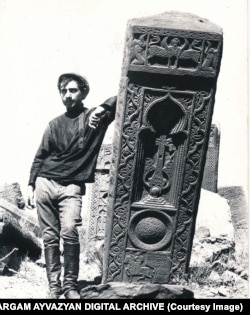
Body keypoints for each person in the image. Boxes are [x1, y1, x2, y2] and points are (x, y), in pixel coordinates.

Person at [26, 73, 116, 299]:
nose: (67, 95)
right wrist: (30, 185)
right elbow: (40, 156)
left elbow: (122, 97)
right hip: (45, 183)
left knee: (69, 232)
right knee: (49, 237)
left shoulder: (94, 118)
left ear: (83, 93)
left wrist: (102, 108)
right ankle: (55, 287)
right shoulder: (54, 124)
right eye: (63, 91)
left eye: (73, 90)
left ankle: (70, 286)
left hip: (71, 187)